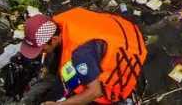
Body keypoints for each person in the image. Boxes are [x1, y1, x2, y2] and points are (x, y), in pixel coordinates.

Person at [20, 8, 148, 105]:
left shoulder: (80, 55)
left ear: (54, 39)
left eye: (42, 48)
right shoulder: (60, 20)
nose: (41, 52)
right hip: (123, 30)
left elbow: (95, 92)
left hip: (129, 51)